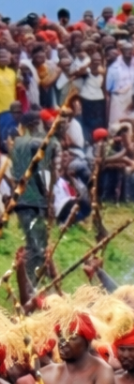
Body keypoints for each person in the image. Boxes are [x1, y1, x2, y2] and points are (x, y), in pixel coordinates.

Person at [10, 111, 56, 284]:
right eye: (38, 124)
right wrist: (47, 196)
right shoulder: (35, 144)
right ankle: (30, 282)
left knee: (35, 243)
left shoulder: (18, 144)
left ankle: (33, 281)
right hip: (32, 200)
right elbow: (41, 173)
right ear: (33, 125)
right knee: (36, 245)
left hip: (24, 200)